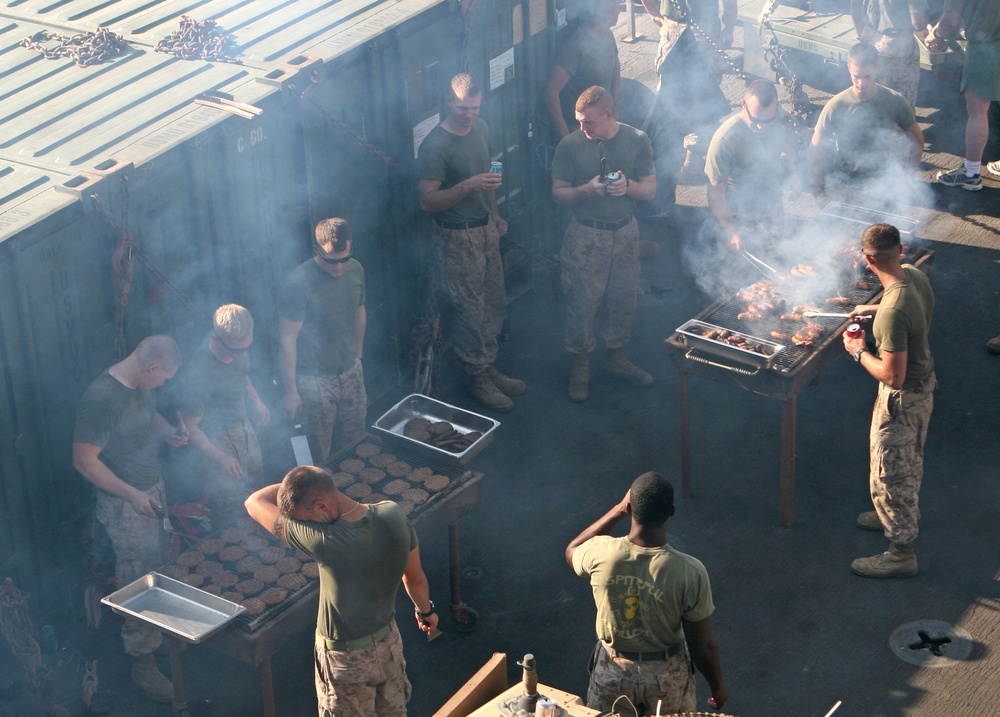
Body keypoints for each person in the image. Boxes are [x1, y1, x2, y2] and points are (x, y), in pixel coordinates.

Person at [244, 466, 438, 717]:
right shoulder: (393, 513)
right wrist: (426, 611)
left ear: (321, 507)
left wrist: (290, 485)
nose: (303, 524)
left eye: (303, 517)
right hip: (389, 643)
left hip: (344, 660)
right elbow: (415, 580)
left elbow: (254, 501)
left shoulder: (324, 541)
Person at [72, 335, 188, 702]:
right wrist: (133, 495)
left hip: (150, 490)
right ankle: (142, 660)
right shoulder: (102, 400)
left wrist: (167, 432)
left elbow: (145, 414)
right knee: (139, 579)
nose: (164, 384)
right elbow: (83, 461)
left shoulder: (139, 383)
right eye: (164, 378)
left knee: (160, 566)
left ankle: (161, 633)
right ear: (153, 367)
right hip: (126, 504)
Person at [566, 472, 728, 715]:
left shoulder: (601, 553)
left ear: (631, 509)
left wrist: (618, 510)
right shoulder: (690, 571)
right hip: (666, 677)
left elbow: (572, 549)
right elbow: (701, 644)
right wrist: (717, 686)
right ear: (671, 512)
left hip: (613, 671)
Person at [416, 73, 526, 412]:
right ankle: (476, 374)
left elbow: (489, 176)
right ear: (449, 102)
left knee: (494, 299)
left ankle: (487, 364)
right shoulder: (435, 146)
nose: (469, 114)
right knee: (469, 308)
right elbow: (427, 202)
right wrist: (468, 185)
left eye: (475, 108)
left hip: (485, 228)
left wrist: (496, 213)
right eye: (463, 107)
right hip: (456, 235)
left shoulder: (481, 128)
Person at [552, 86, 657, 403]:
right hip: (586, 235)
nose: (583, 128)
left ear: (610, 114)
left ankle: (617, 358)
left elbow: (650, 190)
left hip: (625, 232)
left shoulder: (636, 139)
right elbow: (558, 193)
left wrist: (628, 187)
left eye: (589, 122)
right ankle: (581, 365)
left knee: (623, 297)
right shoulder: (570, 145)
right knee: (582, 302)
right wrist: (585, 190)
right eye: (579, 121)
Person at [843, 222, 935, 578]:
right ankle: (898, 514)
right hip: (924, 385)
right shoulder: (913, 274)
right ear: (900, 249)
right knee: (910, 459)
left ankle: (901, 551)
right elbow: (914, 314)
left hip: (901, 397)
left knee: (891, 472)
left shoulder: (894, 313)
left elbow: (892, 375)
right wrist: (875, 310)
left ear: (868, 259)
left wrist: (858, 350)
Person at [279, 217, 367, 466]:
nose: (338, 267)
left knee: (355, 446)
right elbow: (287, 340)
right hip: (314, 380)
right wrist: (290, 391)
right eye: (331, 260)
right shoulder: (297, 284)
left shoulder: (356, 270)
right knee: (319, 456)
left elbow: (360, 311)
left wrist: (358, 356)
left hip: (350, 370)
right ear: (317, 249)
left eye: (344, 258)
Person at [173, 304, 269, 527]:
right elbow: (190, 426)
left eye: (247, 347)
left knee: (259, 493)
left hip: (244, 427)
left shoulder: (237, 341)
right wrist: (221, 458)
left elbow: (242, 372)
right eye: (237, 351)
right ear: (217, 339)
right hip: (219, 440)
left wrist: (256, 400)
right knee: (234, 509)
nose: (243, 354)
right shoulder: (199, 374)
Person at [639, 0, 737, 215]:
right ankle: (670, 161)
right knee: (669, 101)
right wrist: (655, 15)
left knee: (706, 98)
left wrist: (729, 26)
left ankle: (696, 155)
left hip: (705, 28)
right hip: (673, 27)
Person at [809, 43, 924, 198]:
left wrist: (906, 180)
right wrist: (818, 189)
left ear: (877, 67)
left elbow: (916, 140)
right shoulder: (836, 105)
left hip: (885, 182)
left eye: (867, 76)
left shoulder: (895, 101)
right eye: (856, 77)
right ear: (849, 68)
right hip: (846, 182)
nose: (861, 83)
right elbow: (815, 149)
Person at [705, 80, 797, 253]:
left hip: (773, 206)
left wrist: (792, 172)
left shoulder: (776, 116)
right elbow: (715, 191)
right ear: (743, 104)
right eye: (755, 120)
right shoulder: (724, 139)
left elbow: (782, 141)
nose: (761, 126)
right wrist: (730, 232)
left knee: (780, 260)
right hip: (740, 215)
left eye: (767, 120)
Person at [931, 0, 1000, 191]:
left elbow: (949, 21)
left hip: (984, 50)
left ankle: (970, 173)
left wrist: (934, 33)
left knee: (977, 111)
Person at [543, 0, 621, 142]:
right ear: (605, 11)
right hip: (583, 133)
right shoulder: (575, 45)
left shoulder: (608, 34)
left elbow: (616, 66)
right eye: (617, 7)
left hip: (604, 126)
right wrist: (567, 139)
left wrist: (614, 102)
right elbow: (551, 92)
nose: (619, 11)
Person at [850, 0, 930, 110]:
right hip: (897, 45)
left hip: (869, 38)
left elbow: (855, 9)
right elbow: (918, 24)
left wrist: (864, 36)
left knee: (872, 100)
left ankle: (875, 126)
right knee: (901, 105)